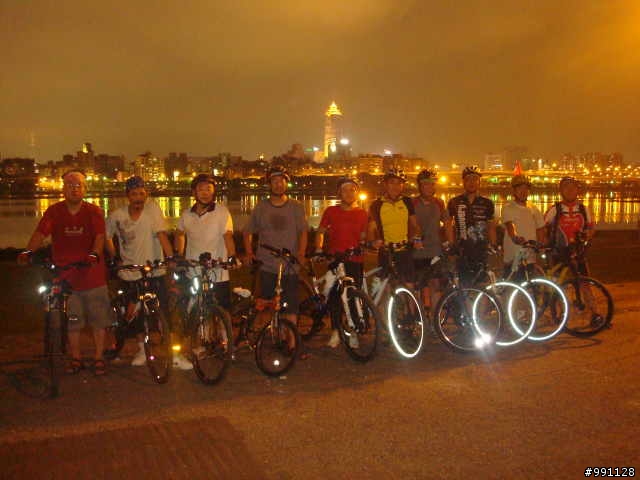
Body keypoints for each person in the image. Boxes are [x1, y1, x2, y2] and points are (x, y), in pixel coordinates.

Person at [17, 170, 111, 376]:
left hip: (92, 274)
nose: (74, 189)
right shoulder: (54, 211)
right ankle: (76, 357)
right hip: (65, 276)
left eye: (78, 185)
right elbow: (41, 233)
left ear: (84, 189)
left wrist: (95, 254)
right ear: (63, 189)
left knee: (99, 319)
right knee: (72, 320)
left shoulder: (93, 211)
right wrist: (28, 251)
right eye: (70, 185)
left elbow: (99, 237)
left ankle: (98, 357)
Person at [104, 176, 192, 369]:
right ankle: (142, 350)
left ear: (146, 195)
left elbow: (162, 236)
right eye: (134, 194)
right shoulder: (117, 216)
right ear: (128, 195)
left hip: (154, 271)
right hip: (130, 273)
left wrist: (171, 258)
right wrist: (115, 256)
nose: (138, 197)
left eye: (141, 193)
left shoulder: (152, 212)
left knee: (163, 314)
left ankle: (174, 354)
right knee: (135, 316)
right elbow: (107, 236)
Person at [243, 165, 308, 327]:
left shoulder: (296, 207)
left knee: (291, 307)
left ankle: (291, 338)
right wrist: (249, 252)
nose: (279, 184)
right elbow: (248, 231)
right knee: (266, 304)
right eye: (275, 181)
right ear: (269, 184)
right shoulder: (261, 207)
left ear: (287, 184)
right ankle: (265, 336)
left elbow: (303, 232)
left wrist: (301, 253)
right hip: (267, 264)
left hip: (290, 264)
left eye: (282, 181)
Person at [314, 176, 368, 347]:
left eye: (352, 190)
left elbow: (363, 235)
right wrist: (319, 249)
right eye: (345, 190)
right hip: (335, 259)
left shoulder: (362, 213)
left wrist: (364, 244)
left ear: (357, 193)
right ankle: (335, 330)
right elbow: (321, 232)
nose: (349, 193)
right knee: (335, 298)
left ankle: (353, 331)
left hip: (355, 260)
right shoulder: (331, 211)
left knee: (353, 297)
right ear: (339, 193)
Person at [174, 173, 238, 310]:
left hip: (217, 271)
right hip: (193, 270)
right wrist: (178, 255)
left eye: (208, 189)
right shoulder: (187, 214)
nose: (205, 193)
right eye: (201, 189)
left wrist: (232, 256)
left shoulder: (222, 212)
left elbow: (227, 236)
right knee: (193, 309)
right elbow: (179, 234)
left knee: (222, 311)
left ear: (214, 192)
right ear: (194, 193)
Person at [368, 167, 422, 286]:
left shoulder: (407, 202)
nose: (395, 186)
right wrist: (373, 242)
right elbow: (371, 228)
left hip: (404, 251)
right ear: (385, 184)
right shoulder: (377, 204)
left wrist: (417, 239)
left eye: (399, 183)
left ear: (403, 186)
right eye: (392, 182)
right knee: (386, 287)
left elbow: (415, 226)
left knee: (409, 287)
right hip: (385, 252)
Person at [446, 166, 497, 287]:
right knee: (464, 286)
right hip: (462, 251)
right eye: (468, 179)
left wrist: (494, 245)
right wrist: (451, 244)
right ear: (463, 182)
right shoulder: (454, 202)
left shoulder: (487, 203)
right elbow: (448, 224)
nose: (471, 182)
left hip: (481, 250)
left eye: (475, 179)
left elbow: (491, 227)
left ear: (479, 182)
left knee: (483, 286)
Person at [412, 168, 449, 312]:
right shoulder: (412, 203)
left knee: (436, 286)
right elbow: (410, 226)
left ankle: (435, 319)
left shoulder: (439, 203)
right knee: (420, 287)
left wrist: (450, 243)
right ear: (420, 186)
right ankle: (420, 318)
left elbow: (447, 224)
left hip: (435, 250)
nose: (429, 187)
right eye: (425, 184)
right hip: (417, 252)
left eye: (432, 184)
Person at [544, 176, 595, 275]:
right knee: (557, 283)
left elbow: (591, 229)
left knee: (584, 282)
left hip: (579, 255)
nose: (570, 190)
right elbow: (542, 229)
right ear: (561, 191)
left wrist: (587, 235)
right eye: (566, 187)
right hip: (558, 255)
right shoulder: (554, 210)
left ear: (577, 190)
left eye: (573, 187)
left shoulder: (584, 210)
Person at [500, 175, 545, 279]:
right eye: (520, 188)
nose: (523, 191)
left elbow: (541, 229)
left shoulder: (534, 208)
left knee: (530, 284)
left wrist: (540, 245)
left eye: (526, 188)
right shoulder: (508, 207)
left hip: (530, 256)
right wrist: (515, 237)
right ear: (514, 191)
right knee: (510, 284)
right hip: (513, 256)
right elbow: (510, 226)